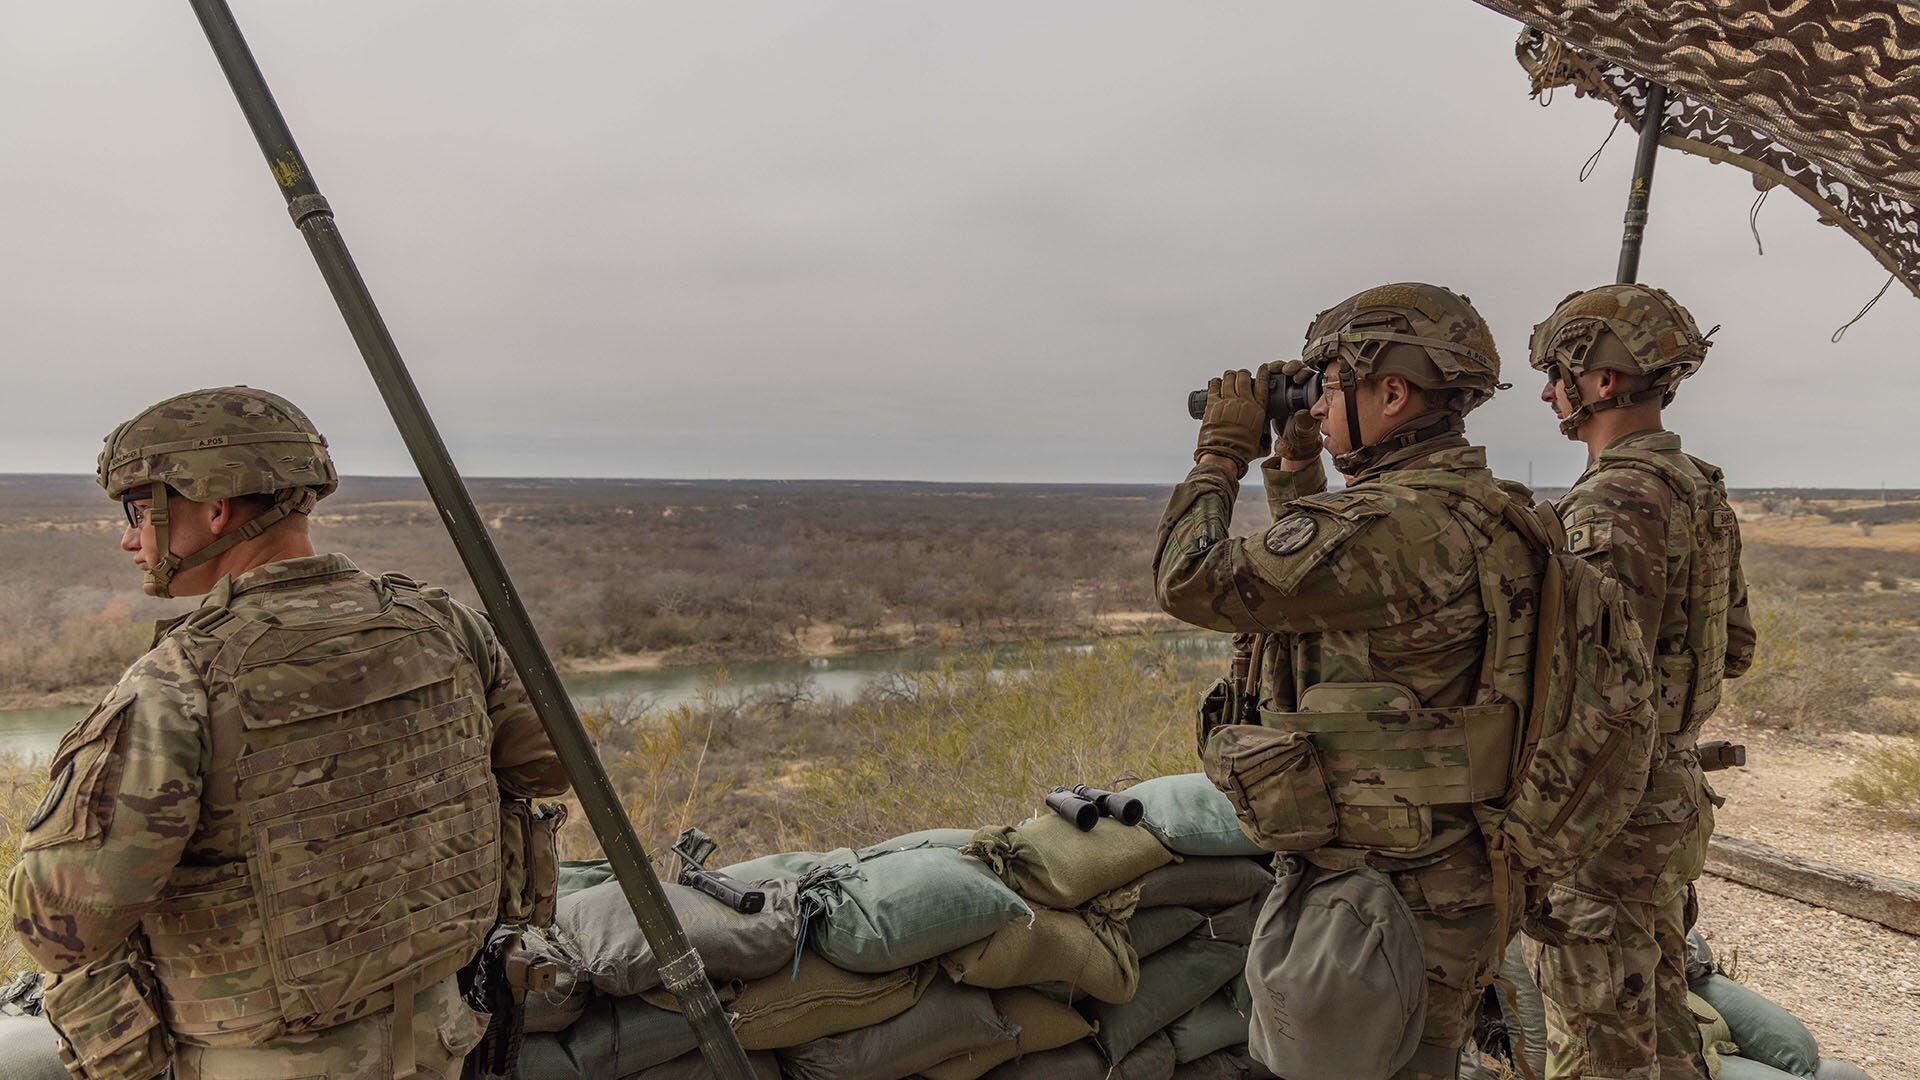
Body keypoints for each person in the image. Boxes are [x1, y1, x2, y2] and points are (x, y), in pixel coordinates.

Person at [9, 386, 569, 1080]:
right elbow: (544, 769)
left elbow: (61, 928)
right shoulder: (445, 624)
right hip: (439, 1033)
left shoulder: (179, 683)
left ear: (214, 510)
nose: (129, 537)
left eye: (137, 511)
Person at [1156, 283, 1537, 1079]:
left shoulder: (1393, 526)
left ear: (1392, 392)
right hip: (1457, 869)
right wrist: (1298, 458)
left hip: (1379, 899)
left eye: (1332, 383)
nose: (1320, 401)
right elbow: (1330, 583)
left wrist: (1219, 455)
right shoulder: (1489, 509)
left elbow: (1188, 579)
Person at [1526, 285, 1755, 1080]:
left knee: (1597, 1041)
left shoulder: (1612, 500)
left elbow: (1594, 694)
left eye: (1560, 373)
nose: (1548, 391)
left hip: (1608, 815)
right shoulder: (1700, 487)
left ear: (1604, 381)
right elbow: (1735, 646)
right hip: (1669, 795)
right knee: (1657, 1012)